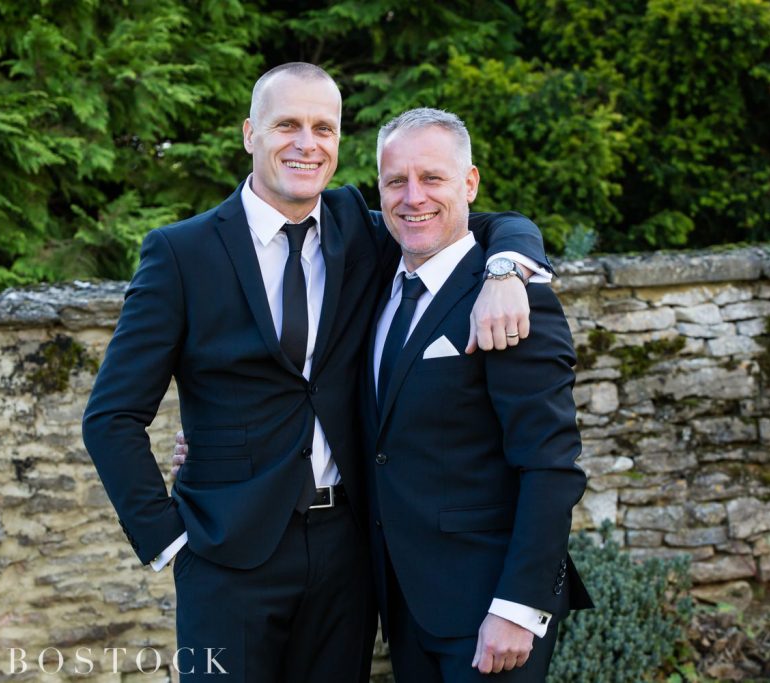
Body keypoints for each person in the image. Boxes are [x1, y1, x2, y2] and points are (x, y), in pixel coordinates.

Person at [82, 63, 551, 683]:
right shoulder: (180, 253)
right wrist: (170, 541)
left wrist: (509, 270)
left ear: (337, 144)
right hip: (227, 558)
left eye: (323, 128)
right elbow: (112, 417)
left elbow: (473, 222)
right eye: (287, 125)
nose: (307, 143)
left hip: (346, 552)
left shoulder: (360, 226)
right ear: (251, 133)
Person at [363, 108, 592, 682]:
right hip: (405, 606)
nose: (413, 197)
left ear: (469, 183)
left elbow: (551, 464)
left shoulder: (513, 300)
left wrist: (520, 606)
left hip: (490, 609)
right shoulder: (376, 283)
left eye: (433, 178)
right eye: (396, 181)